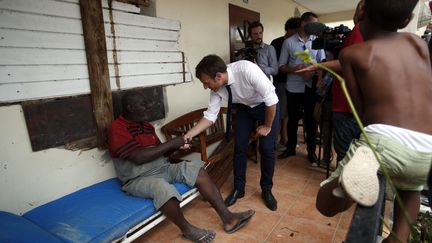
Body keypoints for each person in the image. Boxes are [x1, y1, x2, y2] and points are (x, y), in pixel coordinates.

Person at [316, 1, 432, 242]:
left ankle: (344, 185)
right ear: (407, 20)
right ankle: (397, 237)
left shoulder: (353, 54)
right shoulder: (417, 43)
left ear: (360, 11)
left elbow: (361, 110)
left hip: (382, 140)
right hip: (426, 146)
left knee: (324, 203)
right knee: (411, 188)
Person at [107, 90, 255, 243]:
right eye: (143, 104)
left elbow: (161, 153)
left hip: (162, 168)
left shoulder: (145, 126)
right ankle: (187, 230)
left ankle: (228, 218)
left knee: (197, 170)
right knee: (162, 188)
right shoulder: (117, 128)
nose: (148, 107)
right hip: (138, 178)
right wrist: (172, 143)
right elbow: (138, 157)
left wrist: (178, 146)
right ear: (130, 107)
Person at [185, 55, 280, 211]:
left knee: (267, 148)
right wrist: (189, 134)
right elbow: (210, 116)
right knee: (239, 147)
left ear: (218, 76)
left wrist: (267, 126)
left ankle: (267, 190)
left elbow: (271, 100)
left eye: (206, 83)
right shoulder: (216, 86)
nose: (205, 87)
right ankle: (239, 189)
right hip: (244, 108)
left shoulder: (247, 70)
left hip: (266, 106)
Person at [277, 12, 326, 165]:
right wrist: (294, 69)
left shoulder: (317, 41)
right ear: (303, 24)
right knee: (292, 119)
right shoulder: (289, 43)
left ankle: (311, 152)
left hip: (311, 86)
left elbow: (323, 62)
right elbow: (281, 67)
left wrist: (313, 72)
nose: (316, 27)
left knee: (311, 120)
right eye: (313, 24)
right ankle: (290, 148)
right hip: (294, 87)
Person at [271, 17, 301, 149]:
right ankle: (276, 140)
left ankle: (285, 138)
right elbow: (275, 65)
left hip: (295, 82)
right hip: (281, 82)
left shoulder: (297, 42)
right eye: (296, 30)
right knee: (280, 113)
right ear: (290, 29)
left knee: (288, 113)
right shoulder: (276, 43)